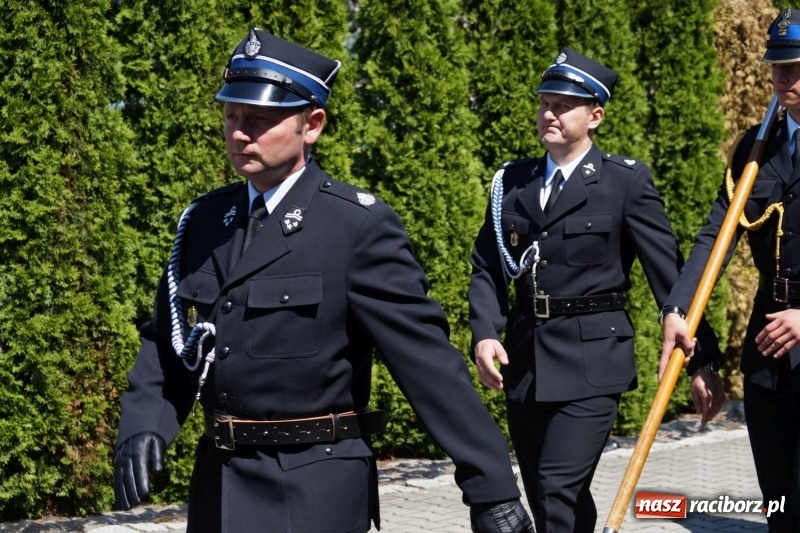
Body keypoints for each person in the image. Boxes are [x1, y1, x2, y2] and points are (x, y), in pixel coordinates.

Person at [112, 28, 534, 533]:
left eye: (260, 120)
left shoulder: (356, 227)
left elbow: (426, 364)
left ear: (311, 125)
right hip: (219, 490)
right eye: (231, 116)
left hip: (314, 491)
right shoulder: (204, 223)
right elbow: (170, 343)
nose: (239, 132)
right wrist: (144, 424)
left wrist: (491, 490)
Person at [468, 47, 723, 532]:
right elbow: (487, 266)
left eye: (563, 105)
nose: (549, 113)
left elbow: (669, 277)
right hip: (526, 363)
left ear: (596, 116)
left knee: (557, 487)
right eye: (545, 102)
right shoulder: (512, 183)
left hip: (593, 362)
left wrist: (704, 360)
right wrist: (484, 332)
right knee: (550, 497)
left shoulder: (623, 183)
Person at [661, 8, 800, 531]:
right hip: (769, 346)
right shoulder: (754, 148)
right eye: (777, 67)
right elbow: (713, 238)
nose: (782, 78)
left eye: (795, 67)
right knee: (779, 500)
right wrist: (679, 310)